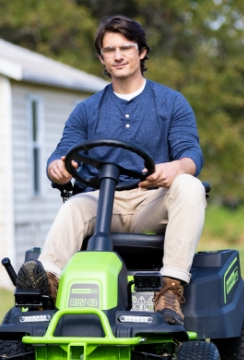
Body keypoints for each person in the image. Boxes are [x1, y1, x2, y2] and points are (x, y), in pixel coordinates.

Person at [16, 15, 206, 326]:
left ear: (141, 52)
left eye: (125, 48)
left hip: (152, 201)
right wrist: (58, 168)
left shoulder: (171, 103)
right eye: (109, 50)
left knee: (190, 185)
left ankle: (170, 290)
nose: (117, 56)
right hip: (104, 203)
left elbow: (190, 153)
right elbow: (62, 154)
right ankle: (46, 284)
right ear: (102, 58)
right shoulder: (87, 110)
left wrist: (176, 168)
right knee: (75, 206)